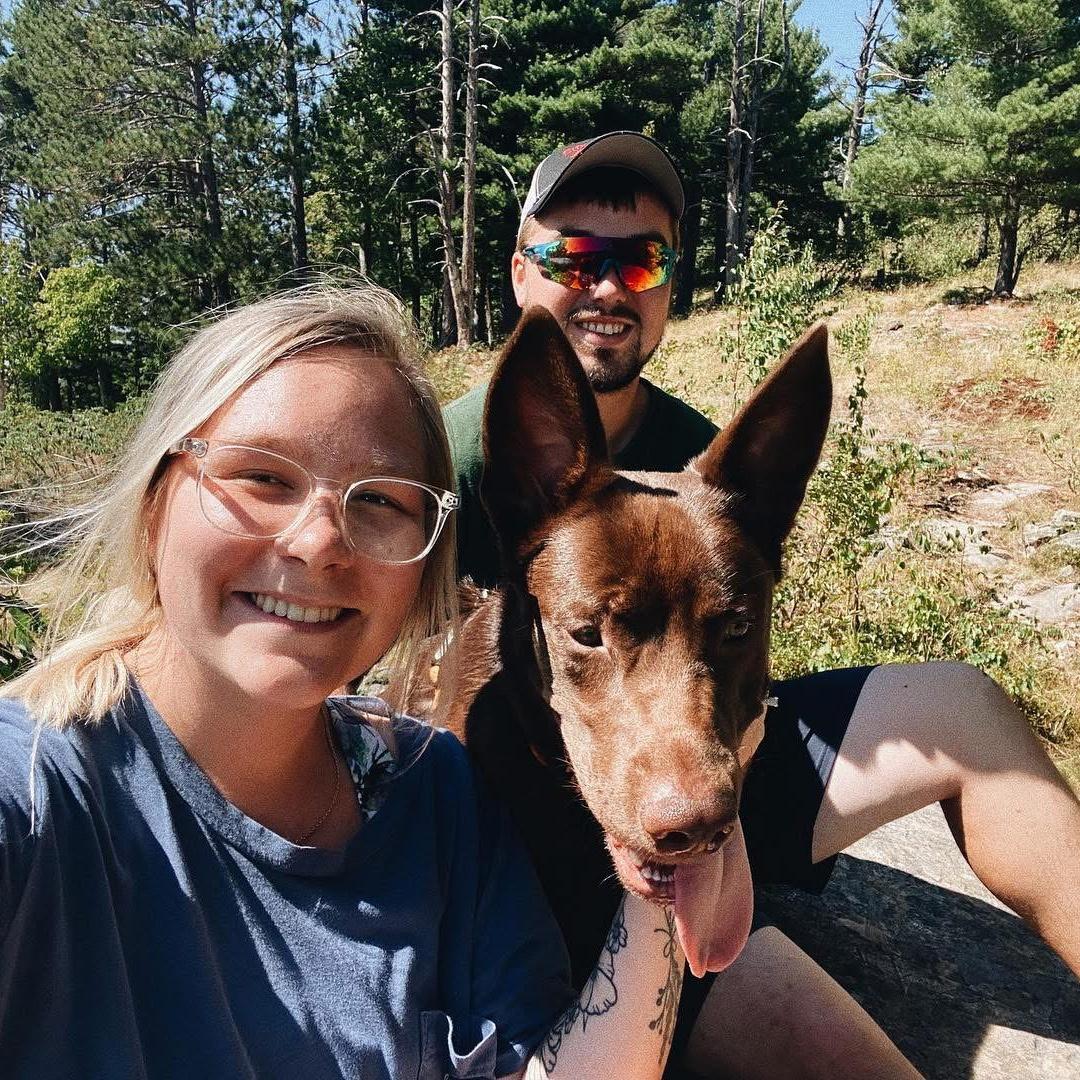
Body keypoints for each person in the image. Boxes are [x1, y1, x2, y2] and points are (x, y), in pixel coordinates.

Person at [443, 132, 1080, 1078]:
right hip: (533, 807)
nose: (608, 287)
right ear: (518, 272)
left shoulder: (706, 463)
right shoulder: (449, 458)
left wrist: (726, 784)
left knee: (960, 703)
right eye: (573, 256)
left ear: (666, 284)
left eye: (640, 259)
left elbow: (717, 667)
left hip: (702, 777)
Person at [0, 282, 695, 1079]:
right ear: (157, 499)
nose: (319, 541)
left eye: (379, 501)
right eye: (261, 478)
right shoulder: (36, 791)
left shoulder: (437, 797)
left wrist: (674, 833)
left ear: (426, 558)